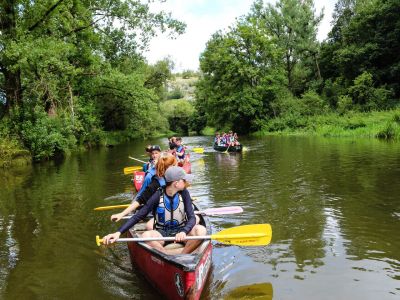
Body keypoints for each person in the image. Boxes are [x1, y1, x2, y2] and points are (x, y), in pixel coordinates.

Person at [102, 166, 207, 255]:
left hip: (182, 231)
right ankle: (165, 255)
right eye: (184, 180)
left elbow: (192, 217)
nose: (187, 182)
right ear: (176, 183)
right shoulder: (158, 195)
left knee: (201, 230)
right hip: (161, 234)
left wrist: (184, 231)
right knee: (146, 236)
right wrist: (118, 232)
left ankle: (183, 254)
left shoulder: (184, 193)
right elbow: (139, 216)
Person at [111, 153, 178, 226]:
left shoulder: (175, 179)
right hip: (159, 213)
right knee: (149, 225)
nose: (177, 168)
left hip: (172, 211)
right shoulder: (154, 182)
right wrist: (122, 214)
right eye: (174, 165)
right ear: (168, 167)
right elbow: (140, 200)